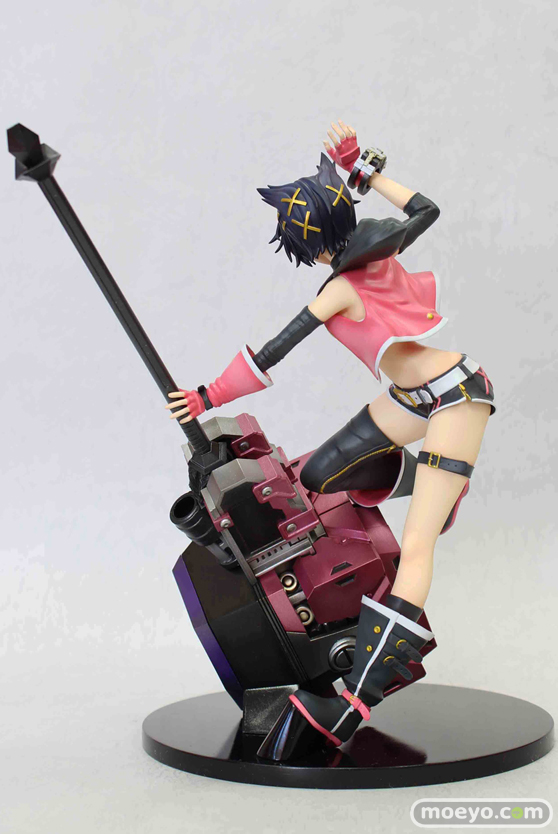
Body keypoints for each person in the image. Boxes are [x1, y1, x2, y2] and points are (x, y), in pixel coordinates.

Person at [165, 120, 496, 759]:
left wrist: (207, 396)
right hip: (410, 399)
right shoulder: (378, 255)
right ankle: (435, 485)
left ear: (308, 245)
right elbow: (425, 209)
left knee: (417, 549)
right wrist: (364, 173)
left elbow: (272, 352)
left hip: (456, 397)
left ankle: (355, 700)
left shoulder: (341, 284)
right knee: (318, 477)